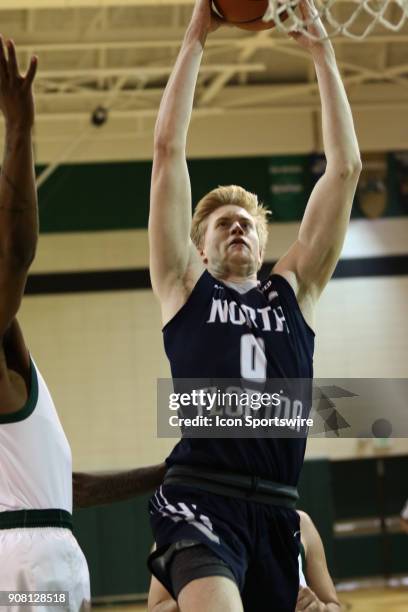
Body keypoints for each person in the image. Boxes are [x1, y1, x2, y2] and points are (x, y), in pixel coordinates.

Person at [147, 0, 361, 608]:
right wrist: (196, 38)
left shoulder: (295, 289)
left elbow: (344, 169)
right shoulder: (185, 286)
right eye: (222, 224)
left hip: (278, 506)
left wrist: (323, 52)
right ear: (199, 245)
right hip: (199, 494)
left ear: (265, 242)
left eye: (246, 223)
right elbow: (167, 153)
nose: (236, 228)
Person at [0, 39, 90, 611]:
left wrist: (167, 471)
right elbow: (18, 253)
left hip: (42, 543)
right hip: (24, 556)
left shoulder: (18, 368)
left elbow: (66, 489)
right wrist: (19, 130)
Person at [148, 510, 342, 612]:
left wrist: (320, 608)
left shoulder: (300, 523)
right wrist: (206, 592)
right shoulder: (179, 533)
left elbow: (334, 606)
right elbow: (157, 609)